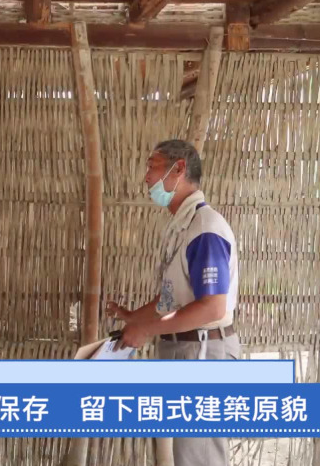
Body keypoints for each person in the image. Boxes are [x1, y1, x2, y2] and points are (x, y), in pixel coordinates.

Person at [107, 139, 240, 466]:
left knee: (199, 458)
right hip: (187, 350)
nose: (146, 177)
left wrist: (146, 330)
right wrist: (134, 318)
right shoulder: (183, 225)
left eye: (152, 166)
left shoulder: (205, 229)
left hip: (202, 353)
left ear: (178, 169)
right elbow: (173, 297)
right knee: (188, 454)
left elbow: (212, 307)